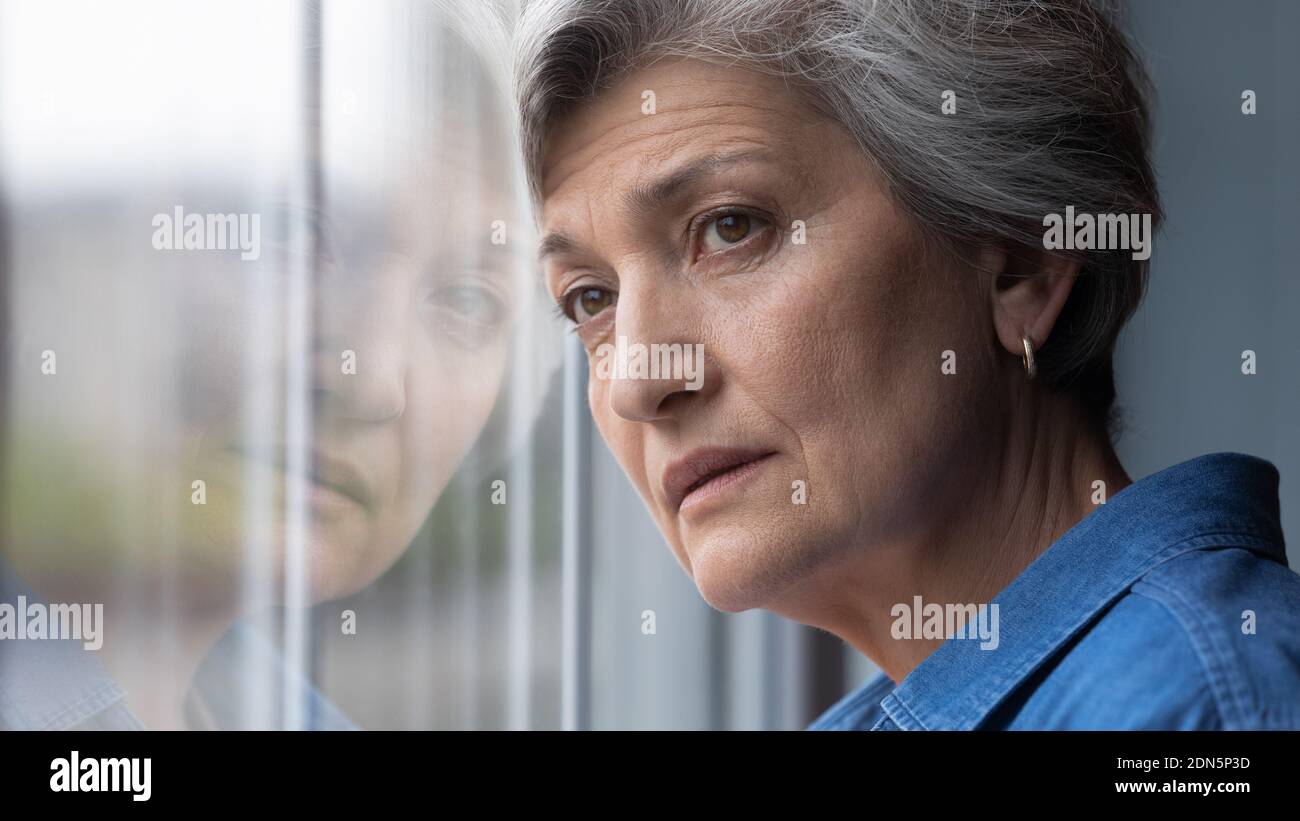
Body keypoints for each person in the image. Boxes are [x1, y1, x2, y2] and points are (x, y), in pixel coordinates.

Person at [516, 0, 1300, 729]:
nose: (640, 382)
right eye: (590, 299)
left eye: (729, 227)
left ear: (1022, 262)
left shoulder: (1200, 711)